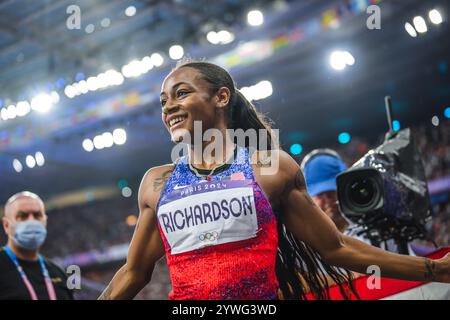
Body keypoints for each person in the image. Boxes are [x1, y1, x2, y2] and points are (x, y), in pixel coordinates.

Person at [99, 60, 449, 300]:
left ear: (221, 97)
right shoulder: (156, 184)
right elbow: (134, 272)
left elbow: (337, 248)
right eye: (163, 101)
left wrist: (433, 269)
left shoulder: (270, 169)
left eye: (181, 93)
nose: (168, 107)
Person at [301, 148, 423, 256]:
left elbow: (410, 269)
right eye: (320, 195)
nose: (328, 200)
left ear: (346, 188)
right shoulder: (309, 248)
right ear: (309, 199)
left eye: (332, 191)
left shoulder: (376, 229)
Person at [0, 191, 74, 300]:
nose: (31, 221)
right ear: (6, 225)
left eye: (37, 215)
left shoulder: (58, 272)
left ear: (45, 221)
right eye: (22, 216)